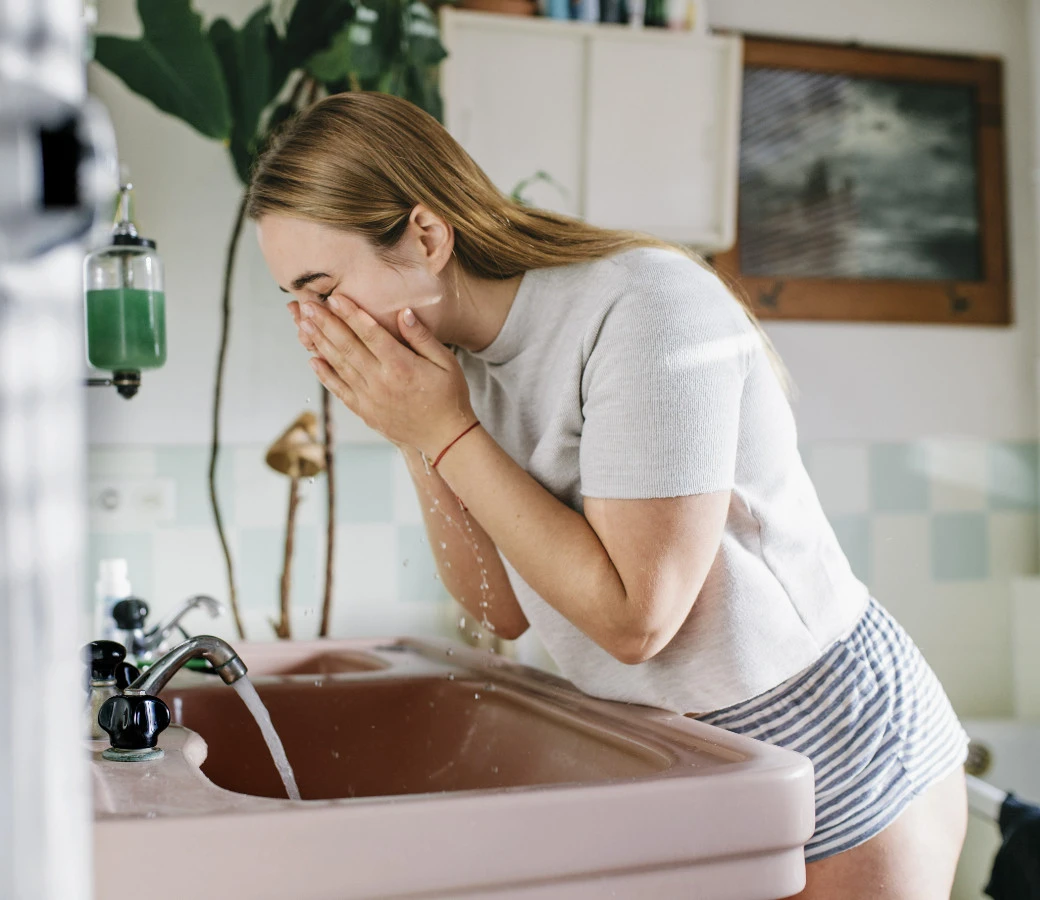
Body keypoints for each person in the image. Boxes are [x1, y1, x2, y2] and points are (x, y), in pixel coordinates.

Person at [247, 91, 968, 899]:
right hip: (688, 763)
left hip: (833, 745)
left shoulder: (645, 307)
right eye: (295, 300)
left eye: (321, 287)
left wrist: (445, 430)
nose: (312, 324)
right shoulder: (453, 366)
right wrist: (421, 431)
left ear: (424, 236)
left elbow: (638, 619)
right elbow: (501, 611)